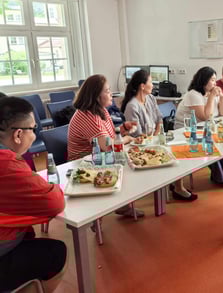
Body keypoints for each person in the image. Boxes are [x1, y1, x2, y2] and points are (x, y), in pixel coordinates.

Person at [0, 96, 67, 291]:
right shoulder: (7, 164)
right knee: (56, 253)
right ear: (18, 135)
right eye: (34, 129)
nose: (35, 134)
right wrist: (53, 188)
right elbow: (54, 204)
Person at [68, 74, 144, 217]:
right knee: (126, 162)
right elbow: (108, 146)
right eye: (107, 91)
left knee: (129, 159)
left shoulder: (100, 110)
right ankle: (115, 208)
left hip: (98, 156)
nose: (111, 94)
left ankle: (123, 204)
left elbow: (110, 137)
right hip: (84, 162)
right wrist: (127, 138)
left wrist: (123, 129)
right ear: (97, 96)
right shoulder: (88, 116)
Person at [122, 70, 197, 201]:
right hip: (139, 145)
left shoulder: (150, 98)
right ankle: (175, 188)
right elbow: (137, 134)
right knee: (169, 153)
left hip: (153, 139)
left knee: (177, 151)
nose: (153, 85)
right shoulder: (132, 106)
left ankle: (177, 186)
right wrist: (153, 139)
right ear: (142, 86)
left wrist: (156, 135)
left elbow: (159, 119)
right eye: (151, 82)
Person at [175, 66, 223, 184]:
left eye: (215, 80)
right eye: (212, 80)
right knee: (211, 142)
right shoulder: (193, 94)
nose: (215, 83)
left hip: (205, 129)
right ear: (204, 80)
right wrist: (211, 97)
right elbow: (205, 116)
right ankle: (220, 176)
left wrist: (222, 96)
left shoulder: (210, 94)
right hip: (186, 131)